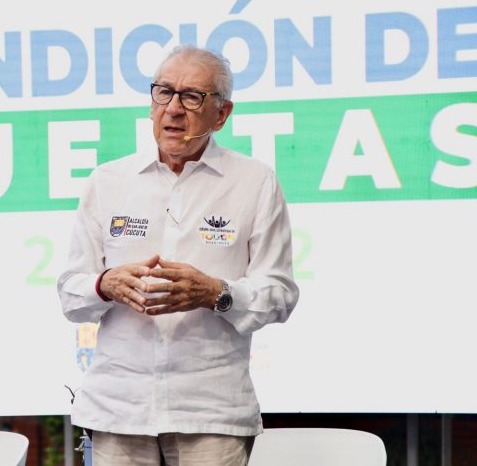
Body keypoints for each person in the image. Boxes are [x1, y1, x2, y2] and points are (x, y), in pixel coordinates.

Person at [57, 45, 299, 465]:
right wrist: (105, 284)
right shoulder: (107, 180)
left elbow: (279, 294)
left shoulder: (254, 182)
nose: (173, 109)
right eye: (164, 92)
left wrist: (216, 293)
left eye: (192, 97)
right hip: (119, 409)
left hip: (212, 411)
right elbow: (71, 295)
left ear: (221, 114)